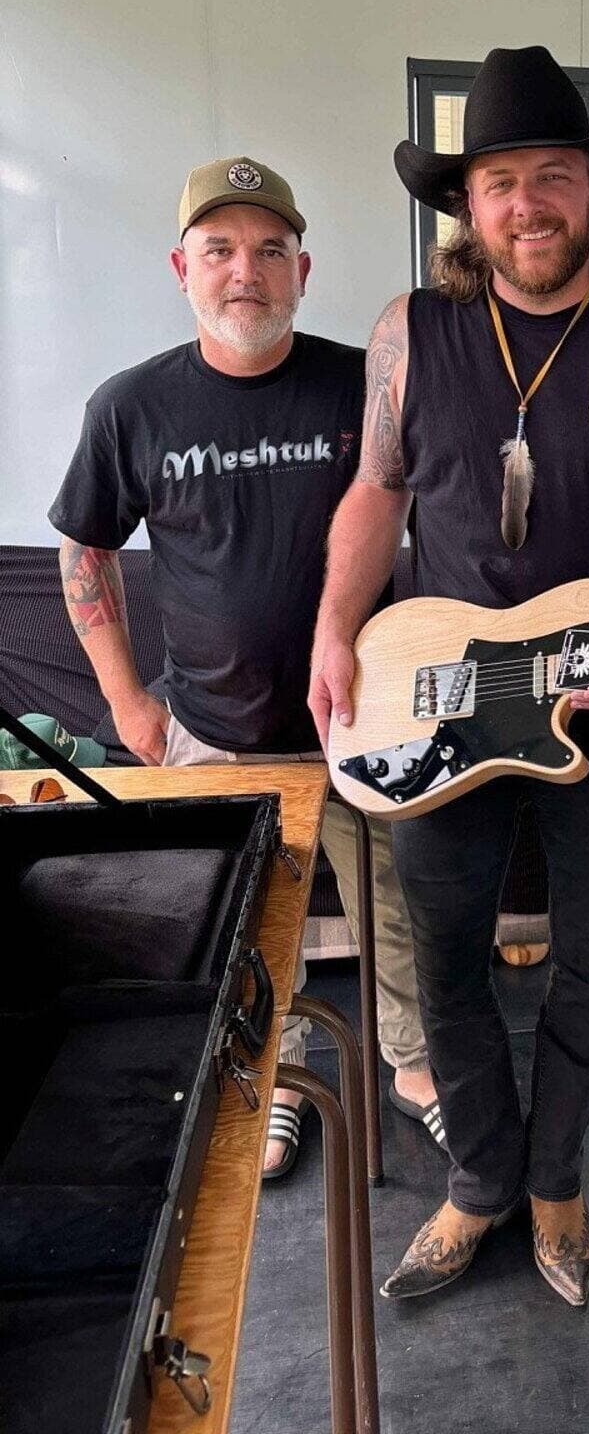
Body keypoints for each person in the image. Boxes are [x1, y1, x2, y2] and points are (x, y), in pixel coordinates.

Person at [309, 46, 589, 1305]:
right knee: (441, 958)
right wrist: (335, 629)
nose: (527, 203)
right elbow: (376, 491)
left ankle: (557, 1181)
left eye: (555, 175)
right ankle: (481, 1183)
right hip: (436, 703)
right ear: (467, 205)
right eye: (500, 180)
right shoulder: (414, 329)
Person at [49, 156, 436, 1177]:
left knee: (401, 912)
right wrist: (127, 701)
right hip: (215, 734)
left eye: (270, 251)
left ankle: (415, 1069)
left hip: (367, 722)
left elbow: (439, 511)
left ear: (303, 269)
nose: (246, 273)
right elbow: (85, 548)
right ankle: (276, 1079)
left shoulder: (366, 385)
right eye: (221, 250)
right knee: (253, 927)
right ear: (183, 266)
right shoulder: (131, 407)